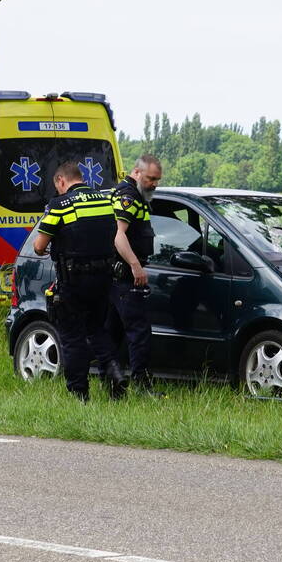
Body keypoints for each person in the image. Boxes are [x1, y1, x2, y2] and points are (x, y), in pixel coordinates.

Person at [34, 160, 127, 402]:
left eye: (58, 186)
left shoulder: (59, 205)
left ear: (62, 181)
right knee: (97, 329)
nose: (59, 191)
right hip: (104, 280)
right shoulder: (105, 201)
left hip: (73, 282)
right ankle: (115, 372)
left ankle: (79, 393)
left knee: (72, 336)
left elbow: (39, 246)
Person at [109, 155, 163, 394]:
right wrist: (135, 265)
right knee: (138, 331)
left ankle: (114, 384)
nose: (154, 184)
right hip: (124, 277)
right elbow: (119, 235)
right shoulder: (129, 196)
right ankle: (141, 384)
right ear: (137, 172)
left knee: (113, 332)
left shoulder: (136, 195)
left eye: (157, 180)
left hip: (117, 277)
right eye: (151, 178)